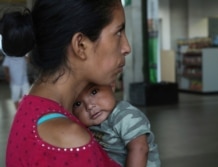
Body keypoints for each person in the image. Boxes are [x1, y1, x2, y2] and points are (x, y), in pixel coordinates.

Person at [3, 0, 131, 166]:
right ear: (81, 45)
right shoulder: (70, 141)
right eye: (118, 32)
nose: (126, 47)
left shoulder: (31, 109)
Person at [72, 83, 161, 167]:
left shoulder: (125, 115)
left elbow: (140, 149)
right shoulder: (86, 126)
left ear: (111, 85)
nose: (89, 106)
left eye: (94, 92)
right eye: (78, 104)